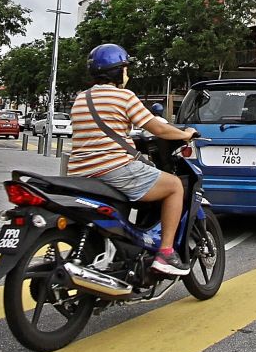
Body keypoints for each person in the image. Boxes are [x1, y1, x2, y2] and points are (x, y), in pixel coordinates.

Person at [69, 43, 199, 276]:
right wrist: (185, 134)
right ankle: (166, 254)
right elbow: (157, 128)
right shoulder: (124, 97)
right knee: (174, 186)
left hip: (79, 173)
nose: (127, 74)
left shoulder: (81, 99)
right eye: (126, 68)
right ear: (118, 71)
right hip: (112, 170)